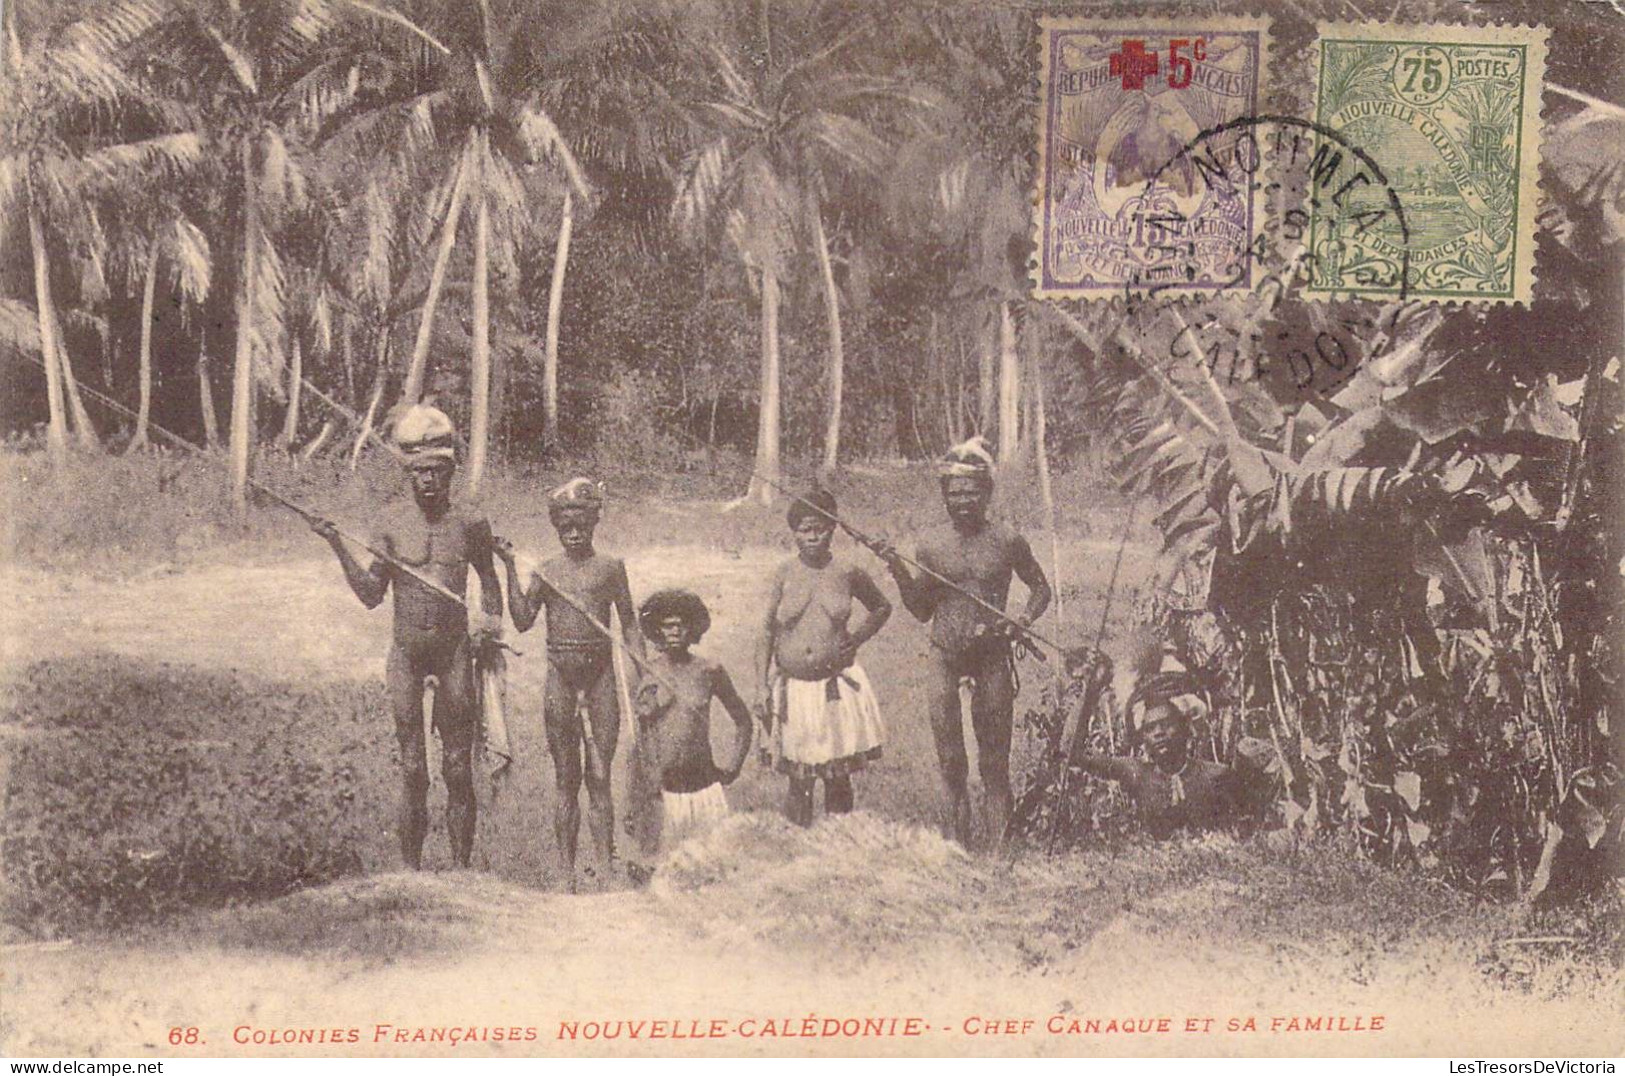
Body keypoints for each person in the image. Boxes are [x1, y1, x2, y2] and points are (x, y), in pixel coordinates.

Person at [310, 405, 503, 869]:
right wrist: (337, 544)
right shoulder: (390, 524)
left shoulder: (471, 525)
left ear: (451, 472)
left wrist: (488, 628)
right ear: (408, 474)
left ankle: (461, 872)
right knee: (414, 771)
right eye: (419, 472)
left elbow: (491, 587)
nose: (428, 482)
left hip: (455, 653)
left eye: (437, 471)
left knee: (458, 771)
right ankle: (410, 874)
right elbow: (372, 595)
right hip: (407, 656)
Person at [874, 437, 1052, 847]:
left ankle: (999, 848)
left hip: (992, 654)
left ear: (987, 492)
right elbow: (921, 610)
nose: (963, 501)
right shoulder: (932, 546)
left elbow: (1040, 588)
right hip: (946, 654)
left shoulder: (1008, 540)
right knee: (952, 759)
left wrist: (1021, 619)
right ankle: (958, 843)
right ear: (944, 498)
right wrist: (898, 568)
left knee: (994, 761)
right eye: (954, 494)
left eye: (972, 492)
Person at [495, 478, 643, 890]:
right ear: (556, 527)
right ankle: (565, 874)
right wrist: (510, 567)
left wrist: (640, 674)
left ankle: (605, 870)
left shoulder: (611, 568)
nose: (573, 532)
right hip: (560, 678)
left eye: (580, 523)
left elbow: (629, 623)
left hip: (600, 681)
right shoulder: (547, 571)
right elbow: (523, 619)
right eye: (564, 525)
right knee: (566, 779)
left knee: (600, 776)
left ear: (595, 521)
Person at [756, 488, 892, 826]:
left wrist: (857, 638)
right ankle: (798, 852)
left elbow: (881, 607)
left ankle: (837, 848)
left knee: (837, 776)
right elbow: (766, 632)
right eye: (804, 529)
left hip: (833, 688)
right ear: (794, 533)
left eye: (820, 528)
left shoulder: (847, 571)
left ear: (832, 528)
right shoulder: (783, 573)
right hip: (795, 690)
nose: (813, 536)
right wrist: (760, 685)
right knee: (799, 780)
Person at [627, 589, 753, 872]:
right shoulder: (648, 674)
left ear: (692, 628)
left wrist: (733, 766)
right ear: (657, 631)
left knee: (713, 872)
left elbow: (743, 720)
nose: (674, 631)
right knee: (664, 874)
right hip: (665, 793)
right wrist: (635, 799)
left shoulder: (709, 671)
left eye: (680, 625)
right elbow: (640, 744)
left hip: (704, 787)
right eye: (667, 625)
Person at [1068, 660, 1255, 839]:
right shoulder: (1137, 774)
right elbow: (1073, 752)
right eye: (1149, 729)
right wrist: (1091, 690)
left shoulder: (1217, 777)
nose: (1158, 733)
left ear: (1186, 728)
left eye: (1166, 724)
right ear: (1143, 738)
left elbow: (1248, 833)